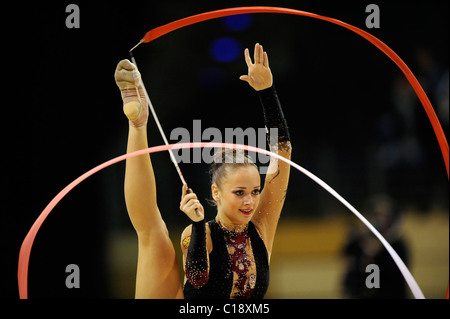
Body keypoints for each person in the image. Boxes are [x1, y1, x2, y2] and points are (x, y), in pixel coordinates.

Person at [114, 43, 292, 299]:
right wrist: (197, 225)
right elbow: (197, 278)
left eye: (254, 191)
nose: (251, 201)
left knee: (155, 236)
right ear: (216, 193)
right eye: (240, 192)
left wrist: (267, 93)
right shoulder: (200, 234)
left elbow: (283, 154)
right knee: (154, 237)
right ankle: (138, 124)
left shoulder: (261, 228)